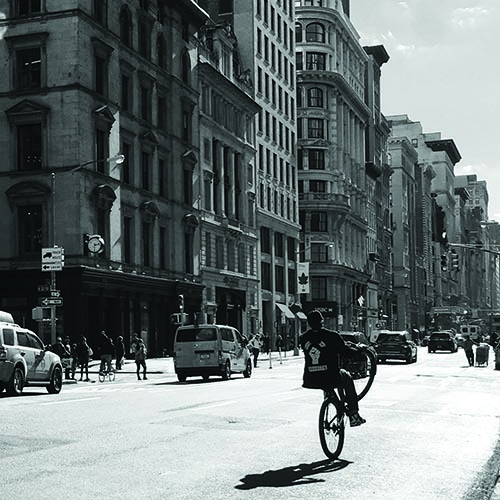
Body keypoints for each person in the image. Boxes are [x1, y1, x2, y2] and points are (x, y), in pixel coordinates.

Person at [299, 310, 366, 427]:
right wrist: (360, 349)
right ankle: (354, 415)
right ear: (322, 322)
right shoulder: (332, 336)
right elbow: (346, 352)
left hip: (310, 379)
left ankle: (329, 398)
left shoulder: (304, 338)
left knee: (324, 380)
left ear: (309, 323)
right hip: (331, 376)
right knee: (348, 379)